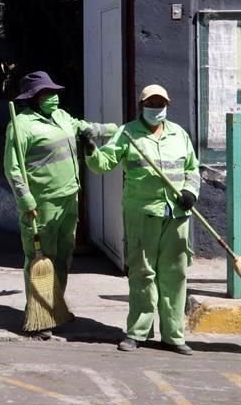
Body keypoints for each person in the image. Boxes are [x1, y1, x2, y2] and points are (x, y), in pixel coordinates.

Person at [84, 84, 199, 356]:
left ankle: (173, 335)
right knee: (142, 273)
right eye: (151, 103)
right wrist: (91, 150)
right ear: (141, 106)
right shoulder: (127, 134)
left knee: (175, 274)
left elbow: (193, 169)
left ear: (167, 106)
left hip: (177, 214)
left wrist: (190, 193)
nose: (156, 108)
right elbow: (103, 165)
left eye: (161, 104)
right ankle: (138, 332)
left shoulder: (179, 135)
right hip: (142, 213)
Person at [4, 71, 117, 338]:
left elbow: (83, 127)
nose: (53, 98)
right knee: (40, 259)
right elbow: (13, 168)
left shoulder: (62, 117)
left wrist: (111, 130)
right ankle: (40, 315)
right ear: (33, 99)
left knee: (64, 257)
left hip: (69, 198)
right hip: (41, 203)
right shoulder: (20, 126)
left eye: (54, 93)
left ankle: (56, 307)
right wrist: (25, 198)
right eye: (47, 94)